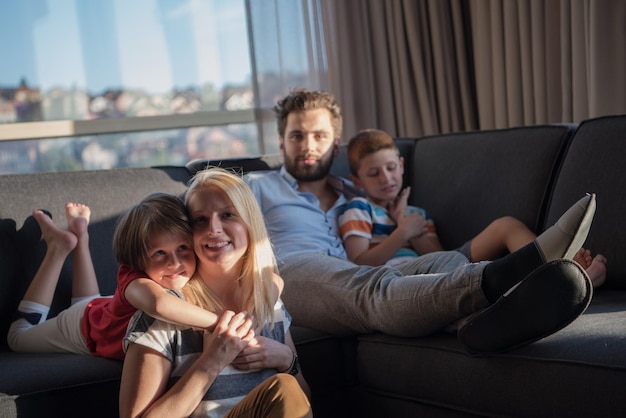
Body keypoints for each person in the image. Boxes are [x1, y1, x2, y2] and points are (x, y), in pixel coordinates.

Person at [243, 87, 596, 355]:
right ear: (281, 142)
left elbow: (399, 231)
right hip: (291, 275)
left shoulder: (356, 193)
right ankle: (514, 271)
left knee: (447, 262)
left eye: (318, 136)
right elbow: (208, 216)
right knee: (373, 291)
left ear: (335, 144)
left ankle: (481, 323)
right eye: (296, 136)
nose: (308, 145)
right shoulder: (257, 186)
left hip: (355, 273)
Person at [120, 167, 312, 418]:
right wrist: (210, 362)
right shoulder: (166, 314)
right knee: (282, 388)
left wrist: (286, 359)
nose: (214, 229)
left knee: (286, 389)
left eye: (228, 215)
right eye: (201, 220)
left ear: (249, 224)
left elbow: (303, 403)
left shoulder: (268, 303)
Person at [338, 128, 607, 287]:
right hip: (401, 279)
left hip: (445, 265)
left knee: (506, 225)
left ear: (401, 165)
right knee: (485, 277)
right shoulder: (359, 209)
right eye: (374, 173)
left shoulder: (416, 214)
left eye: (391, 168)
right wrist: (401, 233)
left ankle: (563, 271)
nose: (386, 178)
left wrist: (406, 223)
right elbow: (358, 263)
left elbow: (442, 258)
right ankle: (563, 283)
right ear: (357, 180)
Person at [8, 194, 218, 360]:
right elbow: (159, 304)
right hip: (82, 326)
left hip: (104, 308)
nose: (175, 263)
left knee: (90, 303)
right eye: (159, 253)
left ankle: (80, 236)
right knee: (17, 337)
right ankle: (57, 248)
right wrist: (220, 323)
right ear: (137, 258)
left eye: (183, 247)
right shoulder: (135, 279)